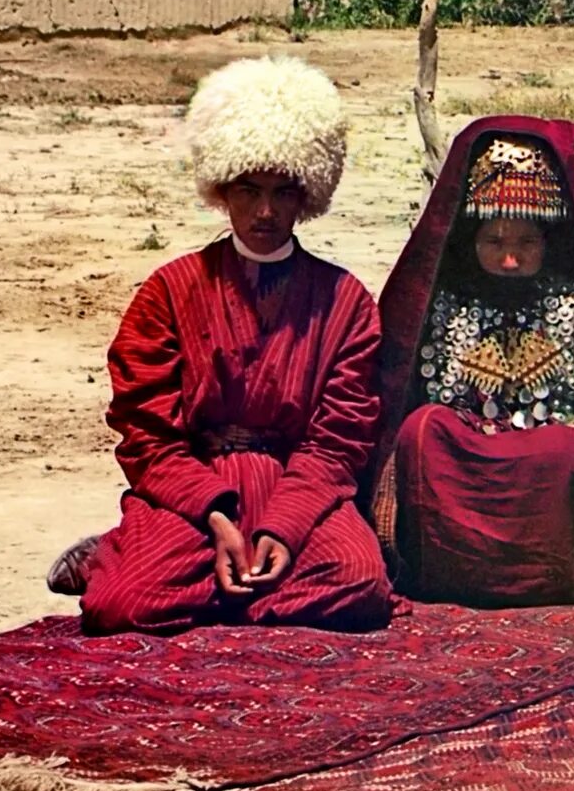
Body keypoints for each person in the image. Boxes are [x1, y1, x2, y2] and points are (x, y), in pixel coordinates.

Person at [59, 56, 392, 635]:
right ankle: (127, 554)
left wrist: (282, 530)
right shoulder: (169, 291)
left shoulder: (345, 302)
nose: (265, 211)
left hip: (297, 483)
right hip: (196, 489)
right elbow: (148, 435)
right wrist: (217, 519)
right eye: (248, 189)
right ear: (220, 187)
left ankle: (221, 592)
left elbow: (337, 441)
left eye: (284, 192)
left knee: (360, 585)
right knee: (120, 605)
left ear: (308, 193)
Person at [371, 122, 574, 607]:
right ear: (470, 239)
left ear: (549, 239)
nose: (510, 259)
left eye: (525, 244)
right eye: (494, 242)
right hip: (468, 466)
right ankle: (446, 571)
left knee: (563, 453)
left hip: (553, 468)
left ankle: (549, 576)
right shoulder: (439, 312)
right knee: (424, 431)